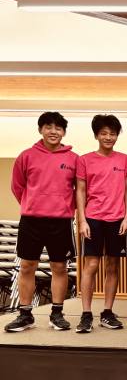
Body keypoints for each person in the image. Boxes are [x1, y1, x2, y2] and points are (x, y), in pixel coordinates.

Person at [5, 112, 78, 332]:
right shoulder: (26, 156)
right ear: (40, 130)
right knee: (27, 266)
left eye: (58, 128)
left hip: (61, 221)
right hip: (31, 221)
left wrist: (65, 207)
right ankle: (25, 314)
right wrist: (32, 204)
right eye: (48, 127)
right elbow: (17, 187)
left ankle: (57, 314)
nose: (53, 131)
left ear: (64, 132)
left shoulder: (73, 159)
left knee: (59, 267)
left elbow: (79, 190)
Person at [75, 114, 127, 333]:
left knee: (113, 265)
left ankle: (107, 312)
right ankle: (86, 313)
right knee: (91, 265)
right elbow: (80, 191)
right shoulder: (85, 159)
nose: (108, 137)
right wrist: (82, 220)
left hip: (117, 219)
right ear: (96, 135)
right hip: (93, 218)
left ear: (117, 135)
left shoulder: (125, 159)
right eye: (104, 133)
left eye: (113, 133)